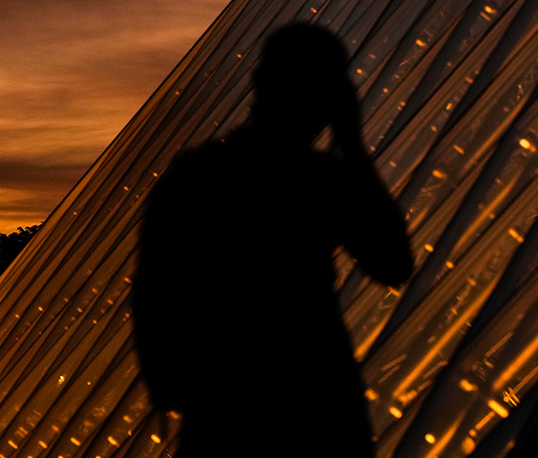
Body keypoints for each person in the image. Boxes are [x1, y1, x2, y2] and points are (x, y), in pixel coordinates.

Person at [134, 24, 413, 457]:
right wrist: (352, 147)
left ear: (260, 82)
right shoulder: (321, 180)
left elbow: (153, 290)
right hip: (317, 405)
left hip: (224, 406)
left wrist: (175, 381)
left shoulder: (198, 173)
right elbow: (392, 261)